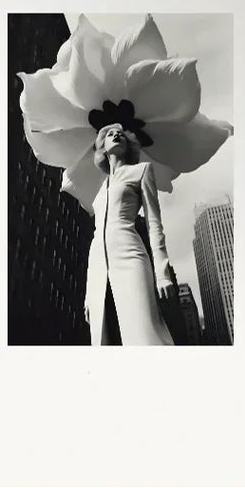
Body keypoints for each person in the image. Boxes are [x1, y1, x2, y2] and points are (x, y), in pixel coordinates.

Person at [85, 121, 176, 346]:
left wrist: (162, 273)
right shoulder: (99, 191)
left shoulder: (141, 171)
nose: (116, 135)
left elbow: (154, 223)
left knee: (145, 332)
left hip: (131, 255)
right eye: (110, 135)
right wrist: (88, 293)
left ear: (129, 146)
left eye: (121, 135)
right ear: (102, 148)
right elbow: (96, 236)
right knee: (101, 340)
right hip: (98, 265)